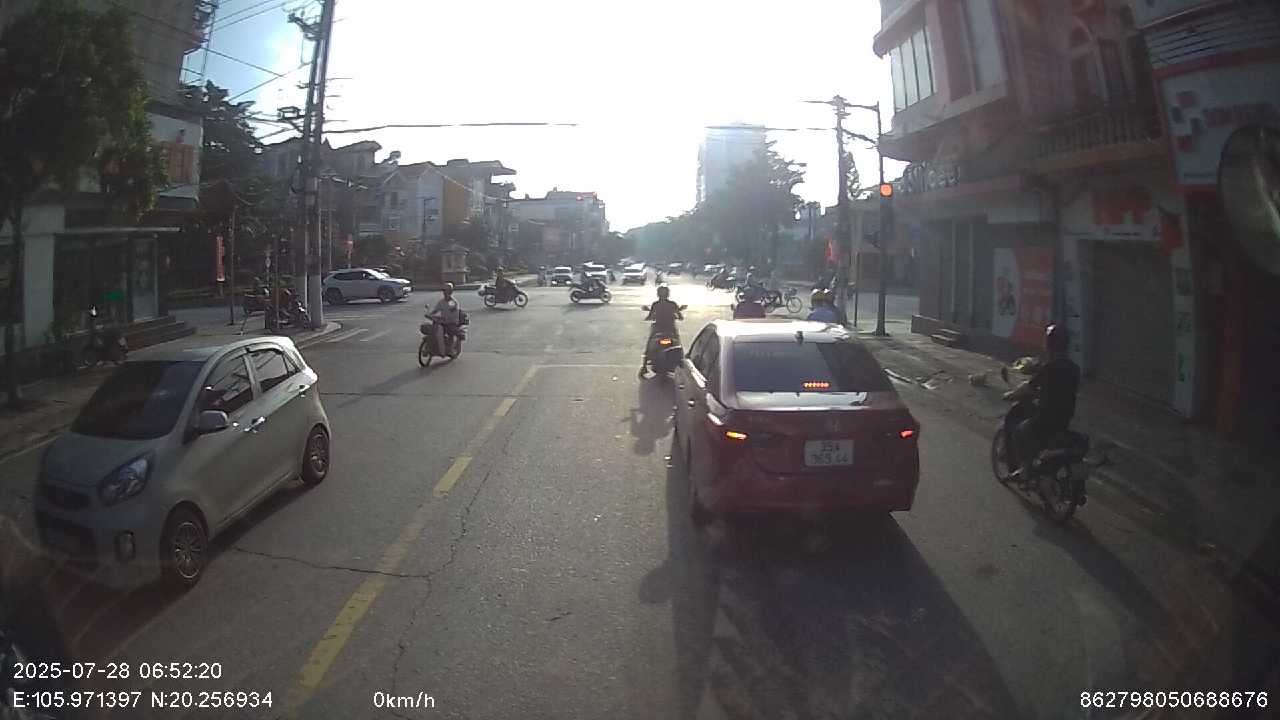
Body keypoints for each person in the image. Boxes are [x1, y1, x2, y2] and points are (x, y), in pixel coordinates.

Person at [1003, 324, 1080, 480]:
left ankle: (1025, 469)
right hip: (1065, 418)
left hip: (1045, 417)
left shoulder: (1049, 367)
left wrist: (1012, 394)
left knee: (1019, 431)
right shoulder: (1074, 368)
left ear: (1050, 344)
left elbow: (1028, 387)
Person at [639, 284, 683, 378]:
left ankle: (644, 365)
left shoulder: (656, 304)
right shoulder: (673, 304)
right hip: (671, 329)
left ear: (658, 294)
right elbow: (680, 317)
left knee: (649, 345)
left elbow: (650, 316)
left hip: (658, 329)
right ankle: (682, 362)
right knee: (678, 344)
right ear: (668, 294)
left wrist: (648, 315)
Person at [427, 283, 463, 356]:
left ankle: (450, 349)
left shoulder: (453, 302)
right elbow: (436, 310)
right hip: (443, 321)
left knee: (450, 331)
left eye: (446, 291)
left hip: (452, 322)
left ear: (450, 292)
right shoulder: (441, 301)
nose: (444, 292)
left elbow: (451, 315)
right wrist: (430, 314)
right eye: (443, 290)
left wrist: (442, 319)